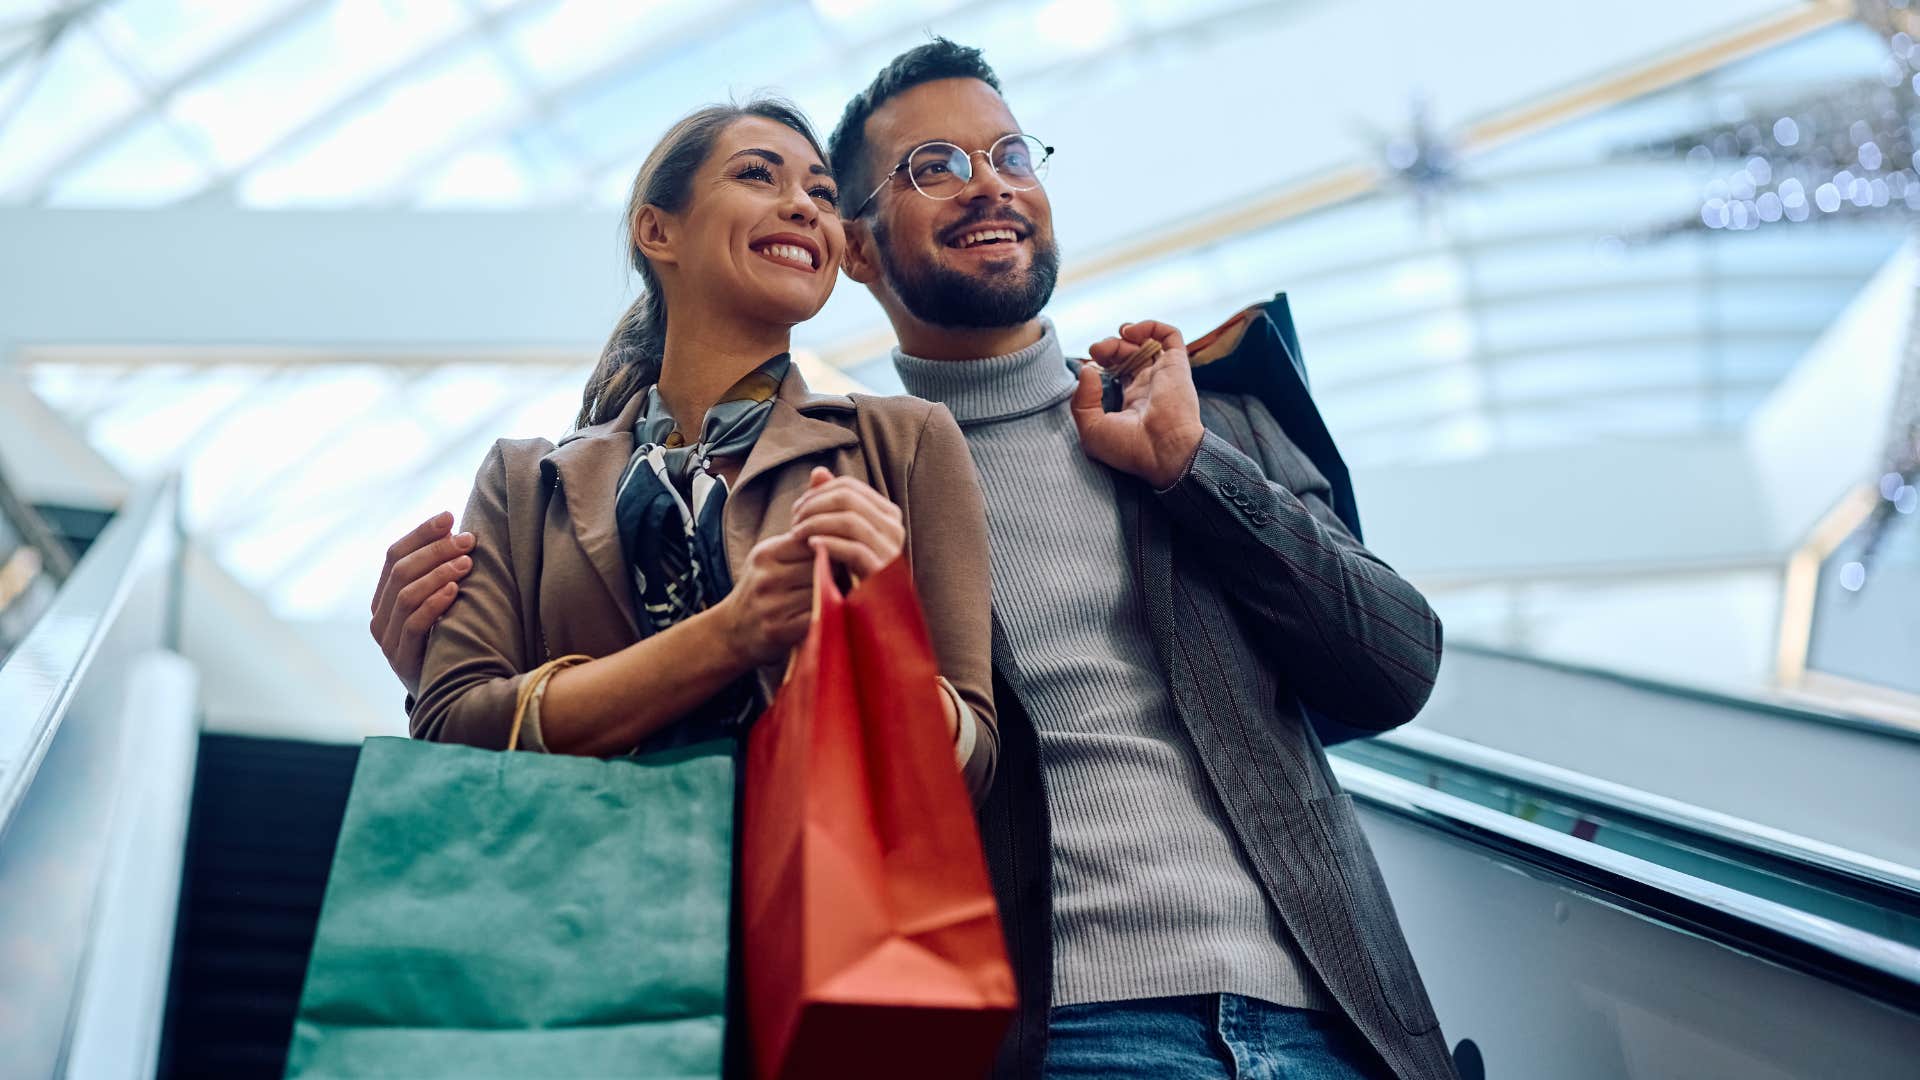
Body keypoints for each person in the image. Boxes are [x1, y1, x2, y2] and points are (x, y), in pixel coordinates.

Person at [374, 44, 1454, 1080]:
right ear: (857, 246)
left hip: (1336, 1019)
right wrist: (465, 658)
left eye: (1011, 155)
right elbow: (557, 701)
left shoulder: (1195, 415)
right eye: (933, 167)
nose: (988, 186)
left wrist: (1192, 471)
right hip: (1040, 1024)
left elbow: (1393, 669)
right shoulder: (842, 462)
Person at [402, 97, 995, 802]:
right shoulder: (524, 482)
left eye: (823, 193)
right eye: (757, 175)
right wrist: (733, 633)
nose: (804, 206)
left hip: (821, 903)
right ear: (657, 230)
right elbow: (448, 731)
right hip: (586, 902)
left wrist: (880, 636)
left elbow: (974, 766)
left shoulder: (906, 440)